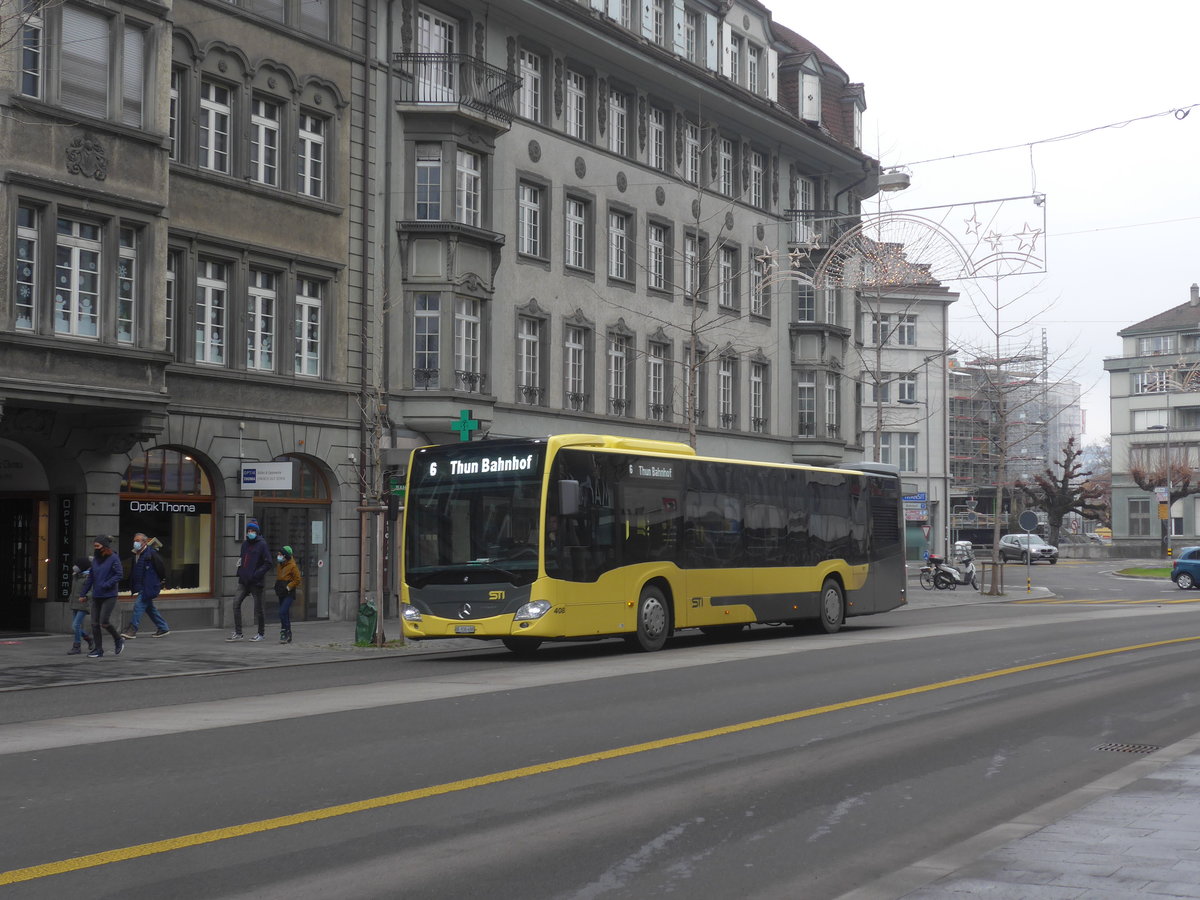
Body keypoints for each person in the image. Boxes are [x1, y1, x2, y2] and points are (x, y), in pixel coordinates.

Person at [80, 535, 125, 658]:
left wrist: (107, 584)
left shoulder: (113, 558)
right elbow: (91, 577)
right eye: (94, 546)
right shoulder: (95, 560)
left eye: (97, 546)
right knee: (94, 623)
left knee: (104, 622)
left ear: (104, 546)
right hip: (97, 595)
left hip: (109, 595)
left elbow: (119, 574)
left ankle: (118, 639)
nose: (95, 548)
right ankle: (98, 649)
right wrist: (83, 593)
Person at [229, 517, 272, 642]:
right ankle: (238, 633)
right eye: (248, 531)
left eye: (252, 531)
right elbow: (242, 559)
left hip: (255, 581)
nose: (250, 533)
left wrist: (257, 574)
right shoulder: (245, 544)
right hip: (244, 580)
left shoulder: (262, 544)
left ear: (257, 532)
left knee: (258, 609)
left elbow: (268, 562)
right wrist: (240, 571)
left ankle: (261, 633)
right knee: (236, 603)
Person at [121, 534, 169, 639]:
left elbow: (161, 568)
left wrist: (161, 581)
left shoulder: (152, 554)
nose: (135, 543)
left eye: (138, 540)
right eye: (134, 540)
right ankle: (163, 628)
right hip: (141, 586)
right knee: (150, 608)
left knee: (138, 606)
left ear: (145, 542)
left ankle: (132, 630)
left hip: (149, 586)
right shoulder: (135, 554)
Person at [273, 545, 302, 644]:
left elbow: (297, 579)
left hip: (289, 592)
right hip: (281, 591)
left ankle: (285, 631)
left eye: (281, 554)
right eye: (278, 554)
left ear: (285, 556)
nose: (279, 556)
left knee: (282, 612)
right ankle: (287, 632)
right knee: (285, 614)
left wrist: (289, 586)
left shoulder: (292, 566)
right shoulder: (279, 565)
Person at [67, 557, 95, 655]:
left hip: (83, 604)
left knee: (75, 625)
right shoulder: (76, 576)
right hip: (75, 603)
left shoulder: (88, 577)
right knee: (76, 625)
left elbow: (92, 591)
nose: (74, 567)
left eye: (77, 566)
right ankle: (88, 639)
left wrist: (86, 597)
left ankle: (77, 646)